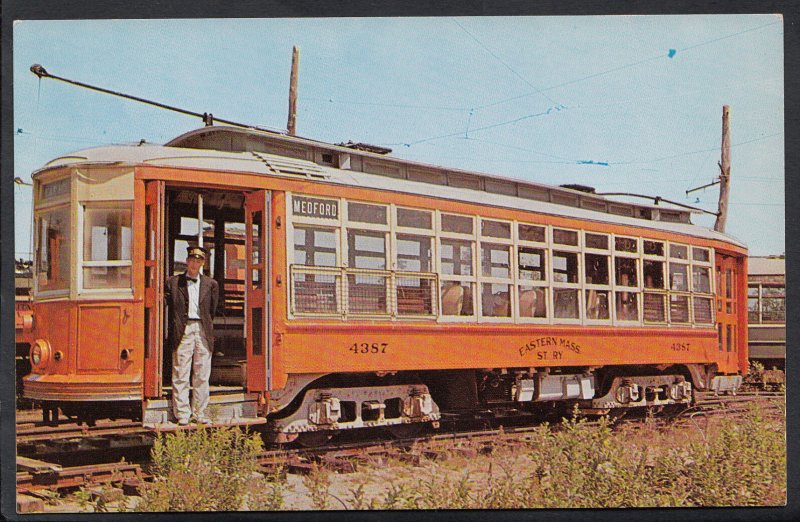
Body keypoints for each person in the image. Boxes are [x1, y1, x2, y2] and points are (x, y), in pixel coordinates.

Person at [165, 246, 219, 425]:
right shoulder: (173, 282)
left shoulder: (211, 284)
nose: (194, 264)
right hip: (184, 329)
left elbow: (212, 310)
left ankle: (199, 413)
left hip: (202, 329)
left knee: (202, 373)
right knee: (181, 371)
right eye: (192, 260)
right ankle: (182, 414)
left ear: (202, 263)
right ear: (187, 261)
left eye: (198, 261)